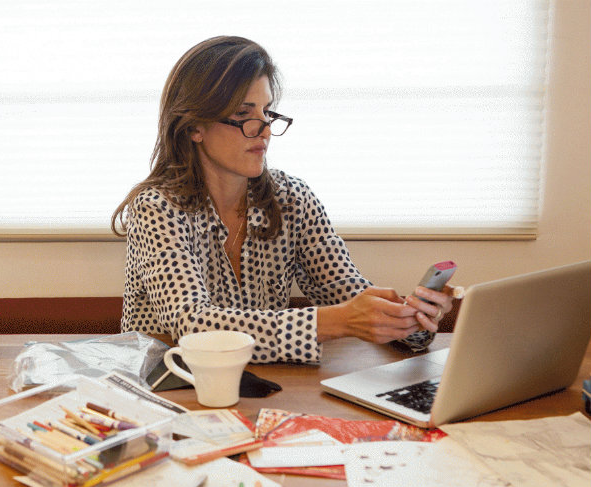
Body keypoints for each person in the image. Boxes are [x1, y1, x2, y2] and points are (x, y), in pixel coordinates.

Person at [112, 36, 454, 364]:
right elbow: (195, 327)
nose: (264, 129)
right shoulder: (156, 208)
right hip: (167, 393)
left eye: (267, 112)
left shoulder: (293, 200)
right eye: (245, 114)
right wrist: (337, 322)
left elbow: (350, 296)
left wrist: (411, 319)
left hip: (266, 388)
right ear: (194, 127)